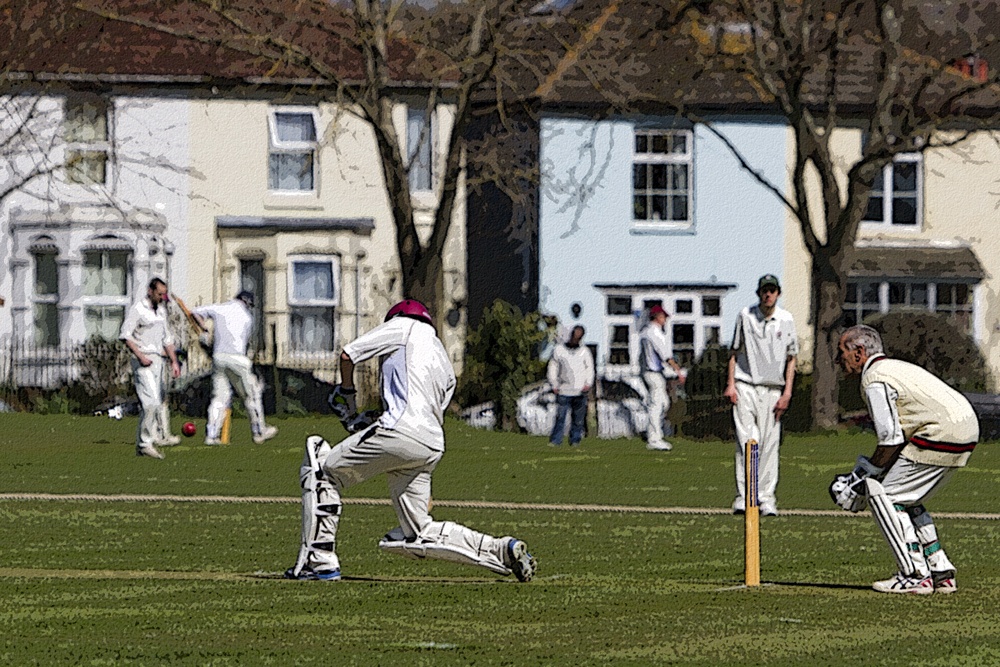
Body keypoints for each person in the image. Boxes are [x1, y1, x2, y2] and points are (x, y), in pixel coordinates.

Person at [285, 299, 537, 582]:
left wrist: (347, 393)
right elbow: (426, 409)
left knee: (322, 470)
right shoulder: (441, 355)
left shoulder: (402, 326)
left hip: (399, 433)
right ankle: (501, 549)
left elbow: (348, 355)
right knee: (419, 532)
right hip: (429, 445)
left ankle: (318, 562)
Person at [833, 325, 978, 594]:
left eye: (842, 352)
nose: (838, 359)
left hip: (939, 433)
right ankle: (940, 571)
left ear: (859, 353)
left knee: (886, 497)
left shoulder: (874, 378)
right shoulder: (895, 367)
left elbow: (890, 439)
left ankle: (914, 574)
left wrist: (863, 478)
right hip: (966, 429)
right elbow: (897, 441)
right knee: (907, 496)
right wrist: (868, 474)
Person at [724, 274, 797, 516]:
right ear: (759, 293)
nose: (768, 295)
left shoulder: (786, 320)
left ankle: (766, 499)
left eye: (772, 290)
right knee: (746, 442)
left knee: (769, 444)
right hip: (746, 385)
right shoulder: (746, 316)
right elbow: (734, 352)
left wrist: (787, 393)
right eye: (764, 291)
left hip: (773, 390)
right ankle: (744, 497)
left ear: (778, 293)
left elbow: (791, 359)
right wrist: (731, 385)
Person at [190, 290, 277, 446]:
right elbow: (243, 341)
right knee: (251, 396)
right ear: (247, 302)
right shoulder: (247, 318)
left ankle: (211, 435)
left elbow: (194, 313)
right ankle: (259, 432)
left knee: (219, 398)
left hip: (219, 358)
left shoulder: (220, 308)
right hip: (238, 359)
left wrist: (204, 329)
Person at [120, 278, 182, 459]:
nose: (162, 297)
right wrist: (140, 356)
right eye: (159, 293)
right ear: (150, 291)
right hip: (142, 360)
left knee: (158, 401)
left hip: (158, 360)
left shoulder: (161, 311)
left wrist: (174, 362)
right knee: (151, 403)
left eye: (164, 294)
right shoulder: (138, 309)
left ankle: (151, 440)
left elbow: (167, 340)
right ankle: (145, 443)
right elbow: (125, 335)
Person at [638, 305, 684, 451]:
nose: (665, 320)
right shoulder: (654, 333)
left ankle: (653, 432)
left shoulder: (645, 332)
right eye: (663, 317)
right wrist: (678, 370)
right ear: (657, 317)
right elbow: (665, 355)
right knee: (657, 405)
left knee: (662, 403)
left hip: (651, 372)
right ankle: (654, 438)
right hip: (654, 373)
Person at [547, 325, 594, 447]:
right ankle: (556, 440)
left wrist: (588, 384)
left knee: (578, 419)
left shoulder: (584, 352)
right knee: (560, 417)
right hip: (563, 390)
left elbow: (589, 369)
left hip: (579, 391)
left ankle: (575, 440)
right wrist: (554, 383)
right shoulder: (559, 350)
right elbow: (553, 367)